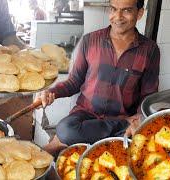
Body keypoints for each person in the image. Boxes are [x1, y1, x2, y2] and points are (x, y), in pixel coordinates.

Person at [36, 0, 160, 154]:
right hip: (86, 116)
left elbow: (149, 95)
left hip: (122, 118)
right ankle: (90, 138)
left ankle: (64, 141)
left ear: (139, 13)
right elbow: (74, 82)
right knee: (66, 129)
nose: (118, 16)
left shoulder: (150, 50)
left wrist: (140, 117)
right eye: (113, 9)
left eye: (126, 10)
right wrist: (51, 92)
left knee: (145, 141)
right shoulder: (90, 41)